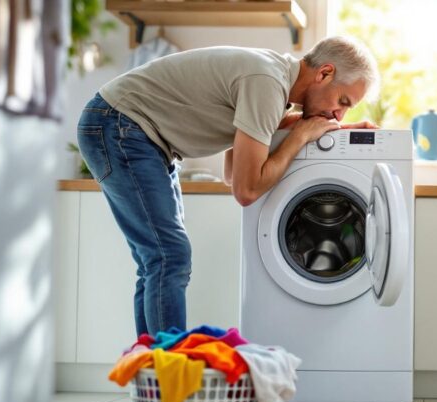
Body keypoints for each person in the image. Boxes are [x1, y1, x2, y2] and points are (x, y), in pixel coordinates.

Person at [76, 36, 379, 337]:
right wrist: (299, 136)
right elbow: (246, 190)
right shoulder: (267, 83)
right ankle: (169, 377)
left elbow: (232, 174)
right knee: (168, 256)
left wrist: (334, 132)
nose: (340, 115)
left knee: (158, 260)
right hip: (120, 126)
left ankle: (153, 375)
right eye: (342, 102)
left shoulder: (274, 81)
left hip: (131, 132)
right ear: (324, 73)